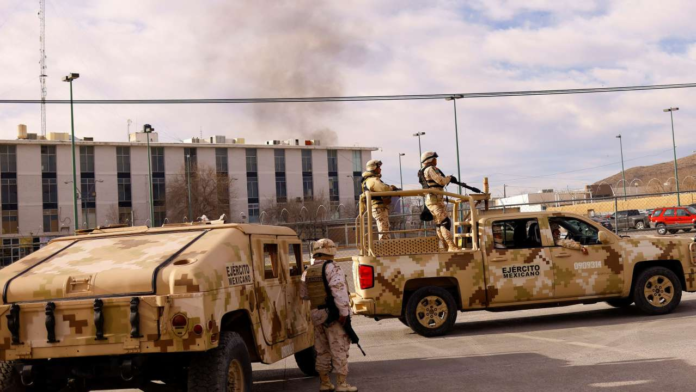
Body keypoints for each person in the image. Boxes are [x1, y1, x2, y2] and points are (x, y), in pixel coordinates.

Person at [300, 239, 358, 392]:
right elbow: (339, 293)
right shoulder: (332, 268)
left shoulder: (308, 271)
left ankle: (325, 382)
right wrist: (344, 315)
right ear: (331, 251)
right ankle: (342, 384)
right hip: (333, 316)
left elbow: (304, 295)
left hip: (316, 315)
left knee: (321, 349)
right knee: (339, 347)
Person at [419, 151, 458, 251]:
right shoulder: (431, 169)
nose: (436, 160)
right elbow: (441, 181)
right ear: (430, 160)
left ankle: (445, 246)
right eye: (435, 158)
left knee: (439, 224)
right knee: (445, 222)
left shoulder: (423, 170)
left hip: (432, 201)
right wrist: (449, 178)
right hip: (435, 201)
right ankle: (451, 246)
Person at [362, 159, 399, 240]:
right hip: (378, 208)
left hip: (378, 207)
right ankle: (384, 250)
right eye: (379, 167)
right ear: (374, 168)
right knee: (384, 231)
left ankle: (384, 249)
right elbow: (383, 188)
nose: (380, 169)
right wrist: (392, 188)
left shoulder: (370, 179)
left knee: (384, 229)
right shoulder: (372, 180)